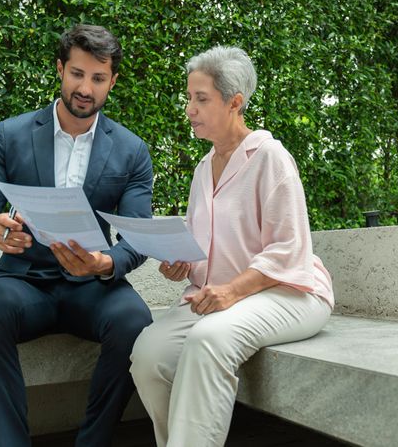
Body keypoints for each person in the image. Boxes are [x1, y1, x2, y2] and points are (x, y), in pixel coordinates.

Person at [0, 24, 154, 447]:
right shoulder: (10, 135)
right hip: (22, 280)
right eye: (77, 74)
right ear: (61, 69)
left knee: (136, 322)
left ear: (112, 82)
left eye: (98, 79)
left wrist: (107, 263)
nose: (86, 87)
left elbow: (139, 236)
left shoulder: (132, 150)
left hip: (93, 286)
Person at [130, 46, 334, 447]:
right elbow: (203, 243)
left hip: (288, 292)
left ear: (234, 103)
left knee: (210, 339)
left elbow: (287, 249)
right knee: (149, 356)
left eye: (201, 99)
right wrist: (183, 264)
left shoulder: (270, 157)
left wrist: (231, 291)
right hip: (217, 295)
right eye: (189, 97)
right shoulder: (203, 168)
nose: (190, 108)